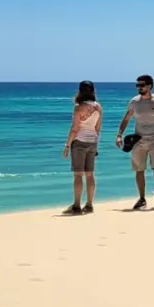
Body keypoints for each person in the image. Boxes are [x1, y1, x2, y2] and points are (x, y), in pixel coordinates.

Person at [115, 75, 154, 210]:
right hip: (138, 140)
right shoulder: (134, 102)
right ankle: (142, 199)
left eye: (142, 85)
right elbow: (126, 119)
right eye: (137, 85)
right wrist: (119, 135)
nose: (139, 87)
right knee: (139, 170)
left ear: (149, 86)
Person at [62, 81, 101, 214]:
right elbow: (97, 128)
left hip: (79, 142)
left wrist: (67, 145)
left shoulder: (79, 108)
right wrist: (96, 144)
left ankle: (77, 205)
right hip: (92, 142)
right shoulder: (98, 107)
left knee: (78, 175)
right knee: (90, 175)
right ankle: (89, 205)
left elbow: (75, 129)